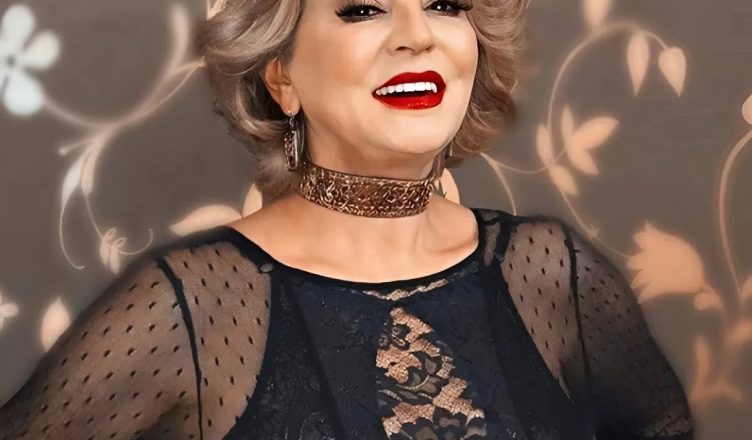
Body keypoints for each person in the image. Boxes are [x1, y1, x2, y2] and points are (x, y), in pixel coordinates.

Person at [0, 0, 695, 439]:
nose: (417, 37)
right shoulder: (197, 306)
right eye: (363, 9)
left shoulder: (548, 271)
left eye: (445, 4)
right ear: (282, 77)